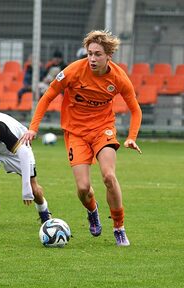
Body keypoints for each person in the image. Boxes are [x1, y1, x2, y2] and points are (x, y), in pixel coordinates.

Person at [21, 30, 142, 247]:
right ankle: (92, 211)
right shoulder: (74, 71)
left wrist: (131, 137)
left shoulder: (118, 78)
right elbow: (47, 96)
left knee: (109, 177)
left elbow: (135, 109)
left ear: (108, 56)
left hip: (103, 130)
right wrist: (33, 128)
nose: (92, 59)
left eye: (97, 54)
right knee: (84, 188)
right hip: (75, 133)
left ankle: (119, 228)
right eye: (89, 54)